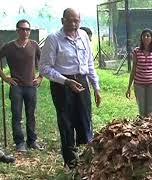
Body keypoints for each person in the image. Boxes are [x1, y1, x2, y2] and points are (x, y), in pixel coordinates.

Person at [39, 8, 101, 169]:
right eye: (70, 20)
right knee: (66, 123)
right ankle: (71, 163)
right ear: (62, 21)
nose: (74, 24)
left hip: (82, 82)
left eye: (77, 21)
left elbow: (89, 64)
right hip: (62, 85)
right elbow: (44, 68)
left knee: (85, 120)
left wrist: (96, 87)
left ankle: (85, 160)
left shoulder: (84, 36)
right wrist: (66, 81)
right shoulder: (53, 39)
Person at [0, 19, 42, 152]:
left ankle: (32, 141)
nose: (25, 31)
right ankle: (19, 143)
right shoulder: (9, 46)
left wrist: (41, 77)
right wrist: (5, 78)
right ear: (17, 30)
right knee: (17, 115)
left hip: (31, 86)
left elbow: (44, 62)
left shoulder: (34, 45)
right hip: (16, 86)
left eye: (27, 29)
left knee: (31, 114)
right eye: (22, 29)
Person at [126, 28, 152, 117]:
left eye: (148, 36)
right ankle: (142, 130)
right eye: (144, 36)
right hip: (139, 84)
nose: (146, 38)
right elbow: (133, 69)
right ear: (141, 38)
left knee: (151, 110)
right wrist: (129, 87)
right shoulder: (136, 51)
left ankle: (150, 129)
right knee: (142, 110)